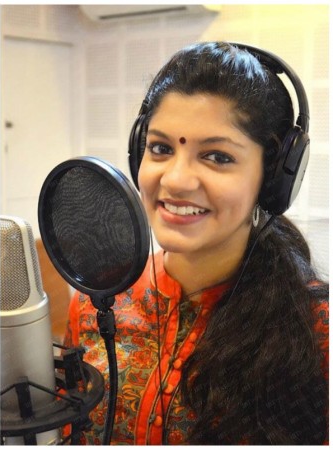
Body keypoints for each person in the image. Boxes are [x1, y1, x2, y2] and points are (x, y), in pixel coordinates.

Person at [64, 42, 328, 445]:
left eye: (217, 156)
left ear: (274, 178)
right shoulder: (97, 300)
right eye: (161, 148)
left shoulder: (317, 329)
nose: (175, 180)